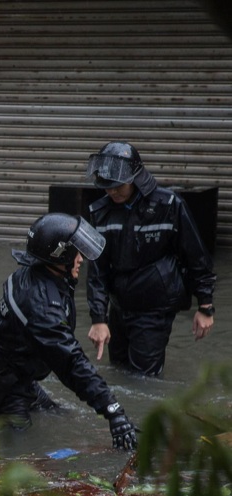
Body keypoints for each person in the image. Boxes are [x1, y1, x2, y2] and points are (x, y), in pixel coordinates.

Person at [0, 213, 138, 450]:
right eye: (76, 253)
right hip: (3, 386)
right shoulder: (40, 305)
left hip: (18, 375)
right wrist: (113, 411)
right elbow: (71, 362)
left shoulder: (38, 272)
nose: (81, 259)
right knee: (20, 453)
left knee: (62, 417)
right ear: (60, 255)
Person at [84, 141, 216, 377]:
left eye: (118, 186)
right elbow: (97, 270)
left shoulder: (168, 205)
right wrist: (98, 319)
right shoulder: (100, 212)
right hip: (119, 306)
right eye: (107, 187)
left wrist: (205, 306)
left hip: (154, 308)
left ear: (135, 178)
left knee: (144, 379)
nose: (112, 192)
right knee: (118, 371)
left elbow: (196, 256)